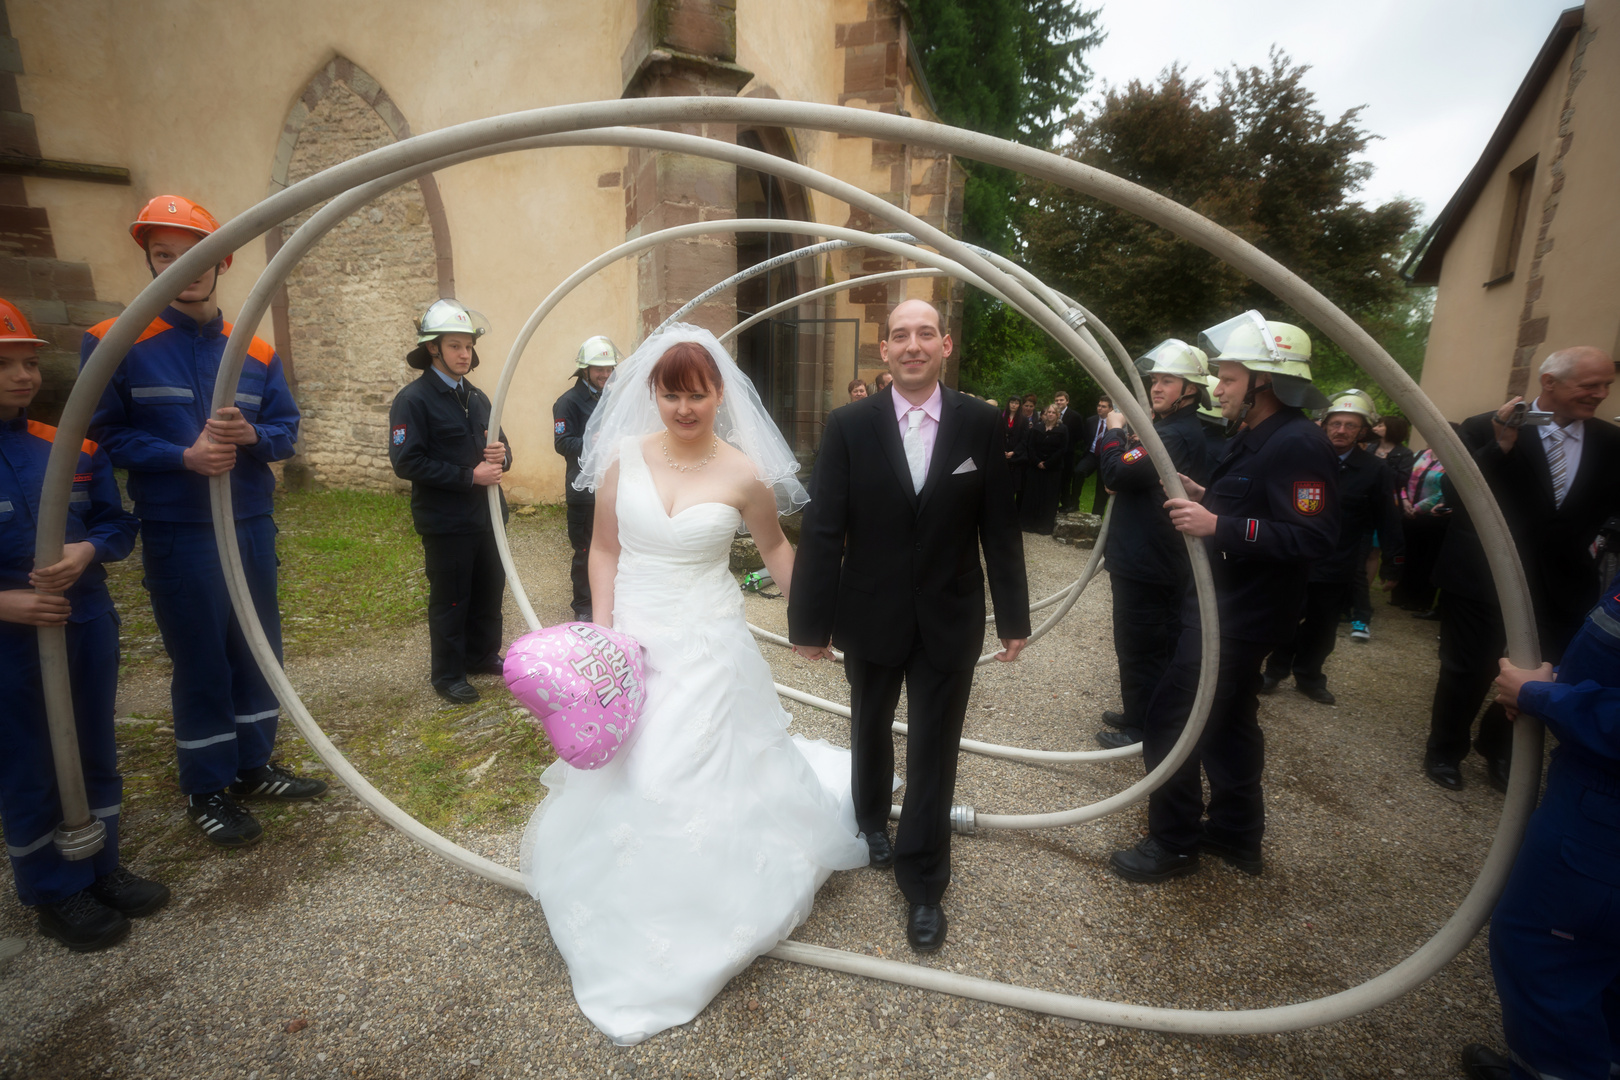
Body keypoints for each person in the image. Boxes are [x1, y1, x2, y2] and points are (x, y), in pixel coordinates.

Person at [519, 325, 867, 1045]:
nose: (684, 407)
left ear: (719, 395)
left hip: (709, 644)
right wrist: (605, 639)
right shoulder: (623, 459)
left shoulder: (743, 472)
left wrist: (817, 622)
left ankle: (702, 907)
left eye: (697, 393)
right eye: (671, 393)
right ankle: (628, 895)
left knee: (686, 769)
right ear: (654, 394)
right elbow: (605, 548)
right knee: (633, 769)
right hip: (636, 641)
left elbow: (775, 545)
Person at [790, 297, 1031, 951]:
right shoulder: (849, 425)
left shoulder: (981, 423)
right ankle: (871, 819)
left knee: (935, 749)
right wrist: (809, 622)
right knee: (869, 724)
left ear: (945, 345)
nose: (914, 344)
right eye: (901, 335)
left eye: (926, 333)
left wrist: (1014, 616)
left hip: (950, 615)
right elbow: (823, 528)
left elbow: (999, 526)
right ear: (885, 350)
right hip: (869, 610)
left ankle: (923, 882)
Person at [84, 194, 324, 849]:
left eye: (193, 255)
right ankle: (207, 784)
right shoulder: (114, 344)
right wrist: (180, 456)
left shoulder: (255, 350)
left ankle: (254, 766)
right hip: (179, 530)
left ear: (222, 261)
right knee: (201, 660)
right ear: (148, 260)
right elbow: (99, 438)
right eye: (164, 256)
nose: (181, 268)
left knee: (256, 648)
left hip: (248, 522)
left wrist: (253, 434)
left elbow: (286, 432)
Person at [1110, 310, 1337, 882]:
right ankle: (1237, 833)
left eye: (1231, 378)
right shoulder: (1259, 438)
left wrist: (1218, 526)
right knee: (1232, 721)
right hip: (1232, 611)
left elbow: (1311, 535)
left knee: (1170, 721)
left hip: (1238, 615)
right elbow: (1258, 505)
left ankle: (1175, 841)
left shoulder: (1298, 443)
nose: (1220, 387)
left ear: (1265, 382)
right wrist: (1207, 496)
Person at [1, 298, 169, 951]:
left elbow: (114, 523)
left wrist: (86, 551)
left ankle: (100, 865)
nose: (24, 376)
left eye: (29, 362)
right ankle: (52, 887)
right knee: (30, 757)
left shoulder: (67, 446)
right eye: (6, 364)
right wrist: (5, 603)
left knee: (93, 744)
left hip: (85, 617)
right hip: (12, 642)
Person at [1423, 346, 1620, 793]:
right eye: (1590, 385)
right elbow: (1454, 494)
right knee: (1467, 670)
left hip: (1559, 584)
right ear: (1549, 382)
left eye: (1606, 385)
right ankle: (1444, 749)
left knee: (1535, 673)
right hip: (1480, 577)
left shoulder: (1611, 443)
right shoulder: (1482, 425)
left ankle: (1497, 747)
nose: (1601, 394)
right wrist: (1501, 445)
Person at [1459, 569, 1620, 1080]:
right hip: (1593, 790)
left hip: (1604, 820)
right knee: (1601, 967)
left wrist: (1543, 698)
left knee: (1548, 956)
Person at [388, 299, 511, 706]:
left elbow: (503, 447)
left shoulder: (476, 397)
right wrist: (468, 476)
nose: (464, 354)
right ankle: (447, 674)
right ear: (433, 349)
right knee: (452, 597)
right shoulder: (414, 400)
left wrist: (501, 458)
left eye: (468, 346)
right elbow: (407, 462)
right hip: (447, 520)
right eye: (455, 346)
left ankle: (480, 655)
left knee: (489, 589)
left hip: (488, 517)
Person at [1093, 339, 1214, 749]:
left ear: (1191, 390)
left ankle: (1144, 728)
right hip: (1142, 556)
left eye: (1168, 380)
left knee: (1145, 644)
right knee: (1134, 641)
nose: (1156, 387)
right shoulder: (1166, 430)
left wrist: (1113, 431)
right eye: (1155, 379)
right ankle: (1136, 711)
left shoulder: (1174, 434)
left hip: (1151, 560)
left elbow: (1115, 473)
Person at [1262, 389, 1403, 704]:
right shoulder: (1304, 458)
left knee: (1322, 627)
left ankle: (1310, 677)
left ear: (1362, 430)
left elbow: (1388, 517)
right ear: (1324, 425)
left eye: (1350, 425)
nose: (1342, 430)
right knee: (1284, 619)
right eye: (1336, 423)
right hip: (1294, 558)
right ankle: (1274, 670)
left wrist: (1395, 561)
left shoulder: (1375, 470)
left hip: (1338, 562)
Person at [553, 336, 620, 622]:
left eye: (609, 369)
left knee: (614, 547)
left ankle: (610, 602)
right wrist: (589, 442)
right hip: (583, 492)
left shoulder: (616, 397)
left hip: (613, 488)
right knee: (585, 551)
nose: (605, 375)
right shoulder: (567, 402)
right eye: (598, 369)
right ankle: (583, 608)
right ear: (585, 370)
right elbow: (561, 443)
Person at [1391, 441, 1449, 616]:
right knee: (1406, 556)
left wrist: (1417, 508)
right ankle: (1400, 595)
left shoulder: (1452, 461)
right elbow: (1404, 480)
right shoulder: (1420, 455)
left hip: (1432, 518)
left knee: (1425, 560)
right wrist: (1405, 502)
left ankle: (1419, 601)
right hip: (1408, 513)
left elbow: (1445, 491)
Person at [1016, 403, 1069, 534]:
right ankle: (1028, 523)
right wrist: (1038, 461)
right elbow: (1030, 446)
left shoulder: (1063, 429)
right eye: (1048, 412)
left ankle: (1044, 525)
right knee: (1032, 494)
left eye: (1053, 412)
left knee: (1048, 496)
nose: (1050, 414)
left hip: (1053, 468)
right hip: (1036, 466)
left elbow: (1063, 449)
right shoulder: (1037, 428)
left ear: (1057, 415)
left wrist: (1048, 463)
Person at [1069, 395, 1110, 515]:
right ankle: (1074, 504)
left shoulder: (1115, 422)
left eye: (1103, 406)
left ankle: (1097, 514)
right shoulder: (1091, 421)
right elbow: (1086, 437)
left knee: (1101, 486)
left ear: (1110, 409)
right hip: (1092, 454)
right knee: (1078, 472)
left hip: (1105, 457)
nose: (1100, 408)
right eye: (1099, 405)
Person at [1052, 389, 1080, 513]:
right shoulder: (1051, 414)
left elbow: (1079, 435)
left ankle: (1066, 505)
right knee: (1054, 479)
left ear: (1067, 401)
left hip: (1068, 453)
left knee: (1065, 480)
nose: (1059, 402)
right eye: (1057, 400)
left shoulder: (1075, 416)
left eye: (1061, 400)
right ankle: (1052, 503)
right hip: (1053, 452)